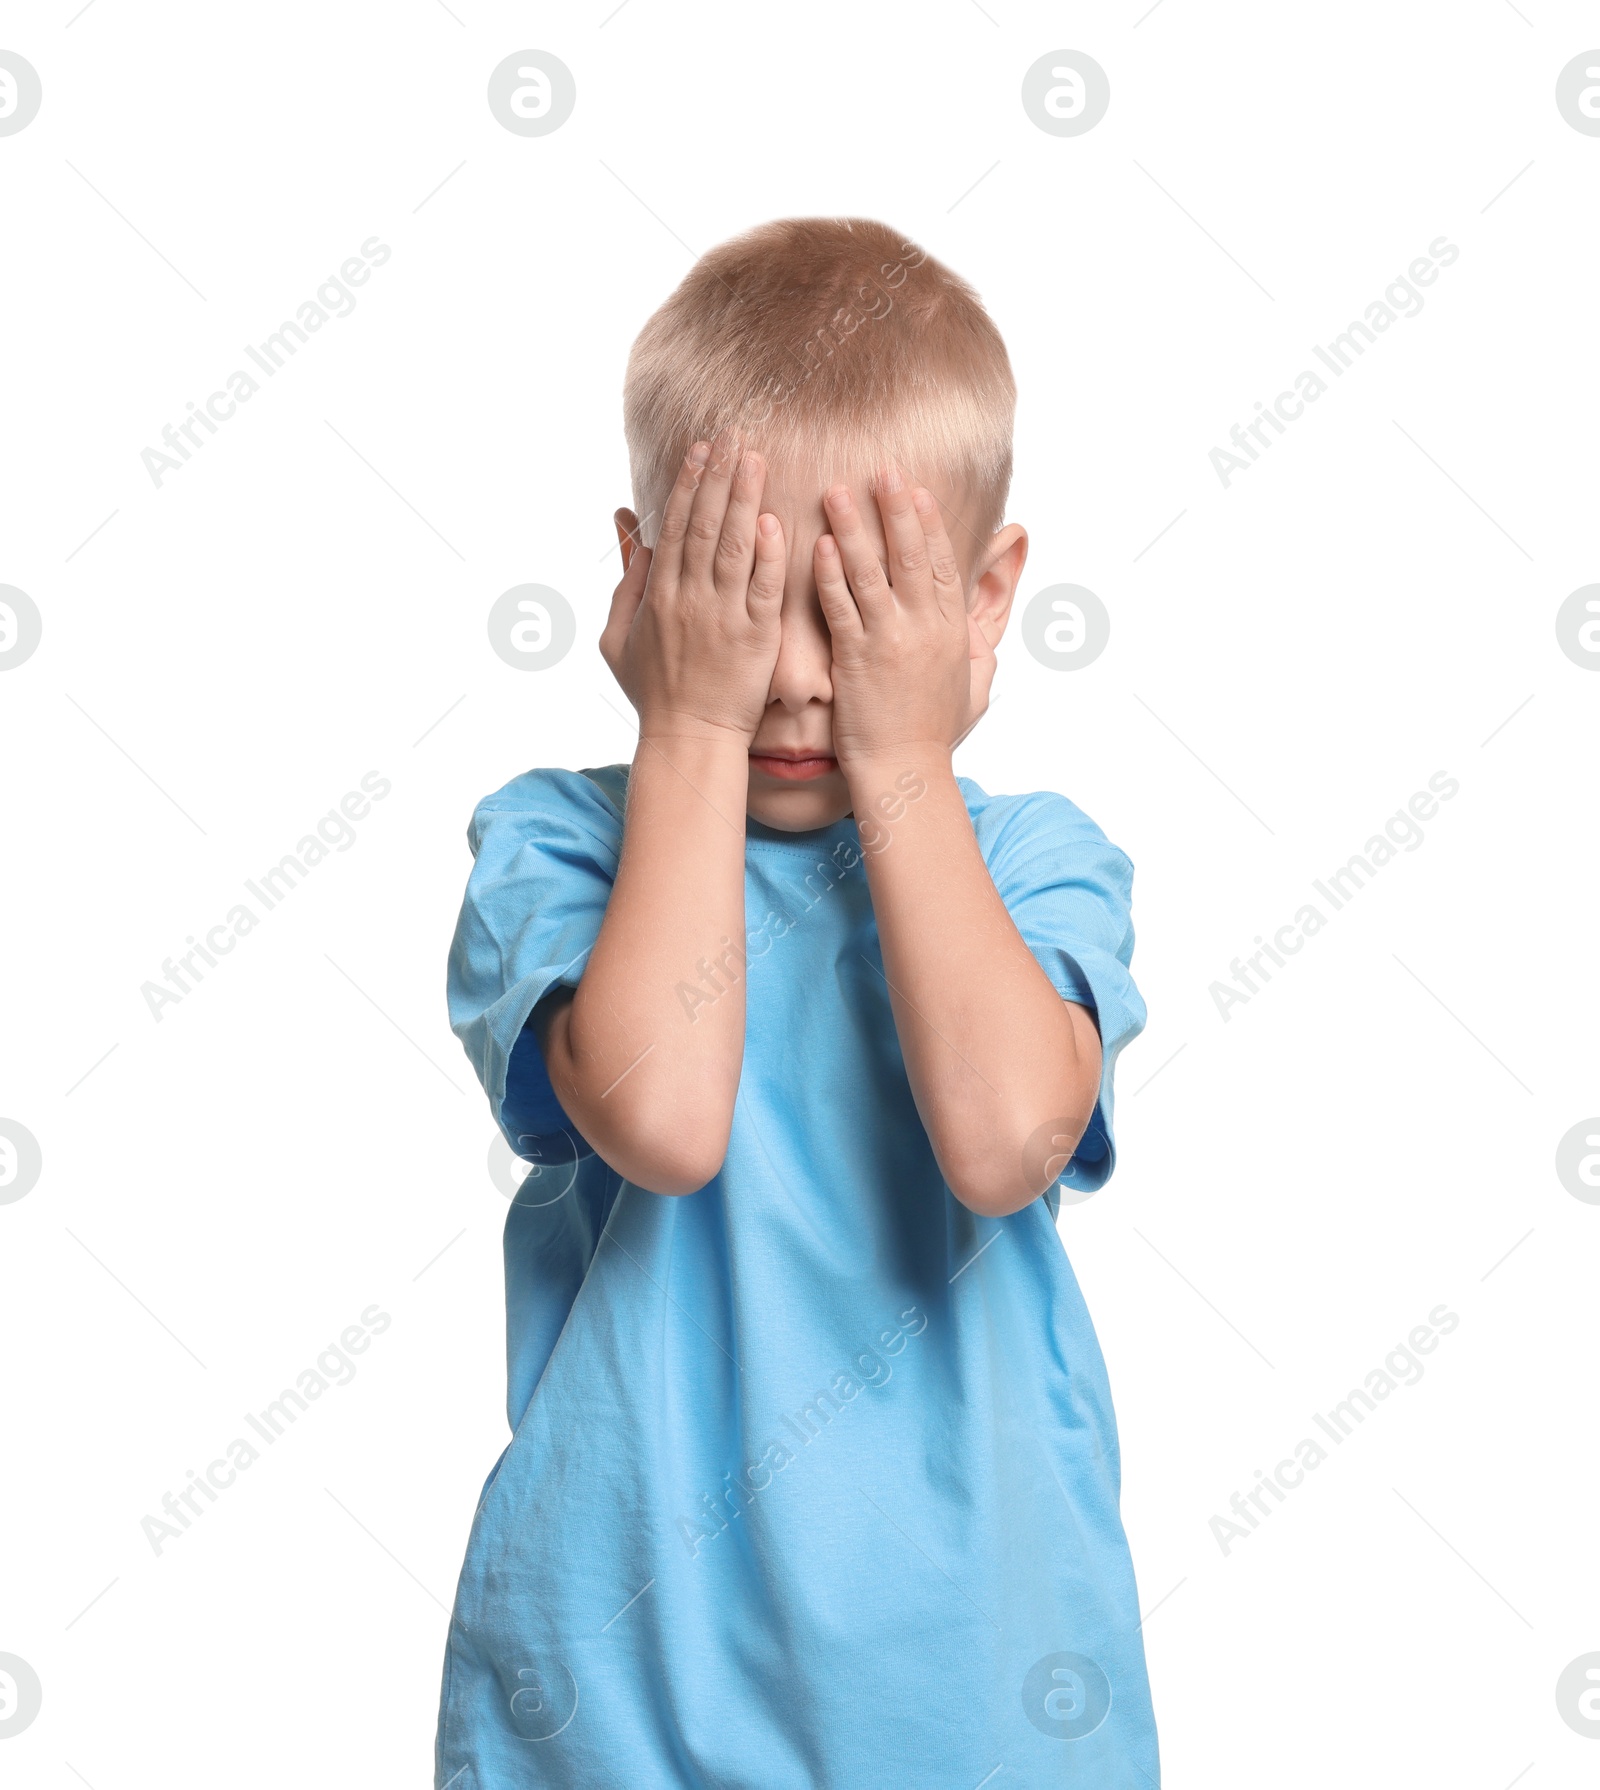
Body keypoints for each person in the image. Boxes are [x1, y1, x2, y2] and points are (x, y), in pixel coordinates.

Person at [436, 217, 1159, 1787]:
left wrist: (908, 763)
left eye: (858, 606)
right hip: (618, 1699)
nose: (794, 677)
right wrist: (684, 723)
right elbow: (662, 1117)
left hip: (974, 1696)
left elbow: (1003, 1138)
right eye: (741, 591)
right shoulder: (554, 844)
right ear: (638, 578)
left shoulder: (1036, 862)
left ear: (987, 602)